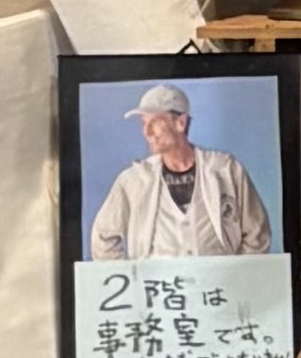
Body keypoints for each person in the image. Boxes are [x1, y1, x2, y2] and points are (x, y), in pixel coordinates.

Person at [91, 80, 273, 260]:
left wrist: (237, 274)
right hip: (157, 280)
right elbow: (102, 239)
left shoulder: (225, 169)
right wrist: (130, 277)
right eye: (143, 123)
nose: (147, 132)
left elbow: (257, 235)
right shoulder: (133, 180)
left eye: (155, 122)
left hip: (216, 279)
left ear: (181, 123)